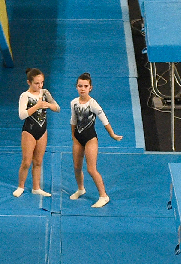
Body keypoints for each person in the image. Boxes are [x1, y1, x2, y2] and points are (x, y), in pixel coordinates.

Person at [68, 72, 124, 207]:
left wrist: (112, 134)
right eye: (80, 86)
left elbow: (104, 120)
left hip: (90, 139)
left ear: (90, 88)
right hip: (78, 138)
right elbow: (73, 120)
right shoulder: (74, 103)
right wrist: (74, 137)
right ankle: (81, 189)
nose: (82, 89)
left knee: (91, 169)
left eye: (85, 86)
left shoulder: (93, 104)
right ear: (76, 87)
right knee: (77, 167)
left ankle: (104, 196)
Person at [14, 68, 59, 197]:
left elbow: (57, 108)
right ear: (29, 82)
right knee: (26, 162)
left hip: (42, 131)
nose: (40, 86)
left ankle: (36, 187)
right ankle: (21, 186)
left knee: (38, 161)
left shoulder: (45, 93)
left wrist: (48, 105)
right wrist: (37, 106)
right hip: (29, 131)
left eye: (42, 82)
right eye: (37, 83)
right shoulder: (25, 96)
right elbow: (22, 115)